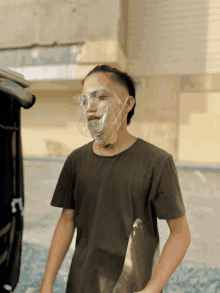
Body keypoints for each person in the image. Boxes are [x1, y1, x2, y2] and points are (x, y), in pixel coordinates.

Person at [39, 65, 191, 293]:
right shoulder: (76, 160)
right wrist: (47, 283)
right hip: (80, 285)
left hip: (134, 287)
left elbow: (180, 232)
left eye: (100, 97)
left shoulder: (156, 162)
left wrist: (153, 287)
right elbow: (66, 220)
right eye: (85, 100)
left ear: (128, 104)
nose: (90, 107)